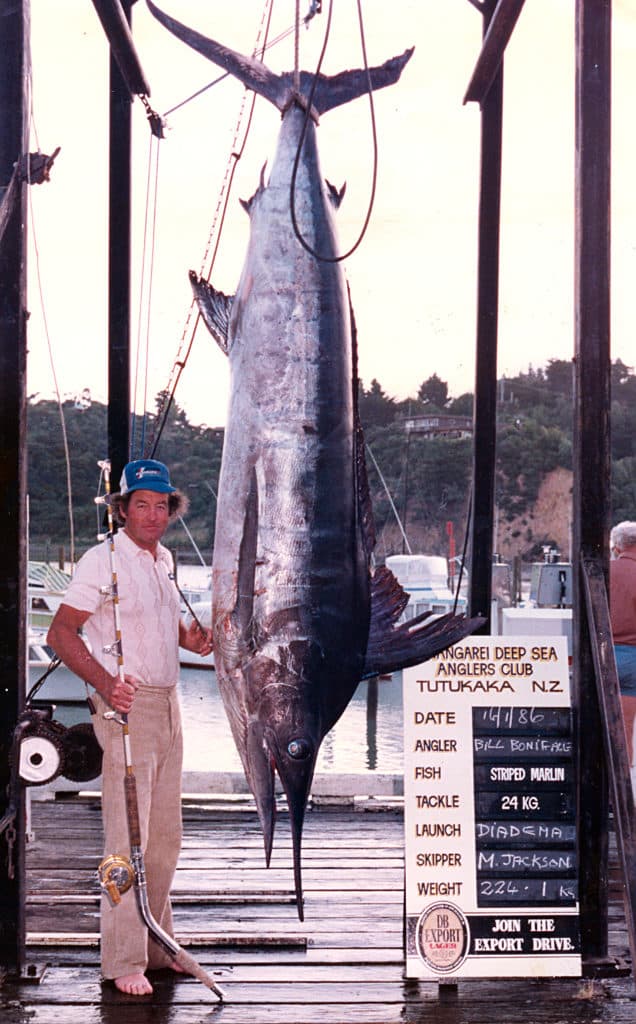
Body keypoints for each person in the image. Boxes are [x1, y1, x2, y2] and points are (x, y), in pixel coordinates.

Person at [47, 459, 213, 997]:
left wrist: (197, 639)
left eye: (162, 504)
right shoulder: (101, 560)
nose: (152, 514)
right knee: (125, 840)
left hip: (170, 705)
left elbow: (170, 631)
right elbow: (61, 633)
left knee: (166, 837)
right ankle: (121, 959)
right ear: (122, 510)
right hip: (126, 708)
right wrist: (104, 682)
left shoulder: (166, 559)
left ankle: (158, 945)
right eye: (141, 504)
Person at [609, 520, 636, 768]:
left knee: (600, 722)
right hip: (634, 657)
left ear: (617, 546)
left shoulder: (606, 571)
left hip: (605, 654)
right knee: (626, 726)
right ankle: (623, 790)